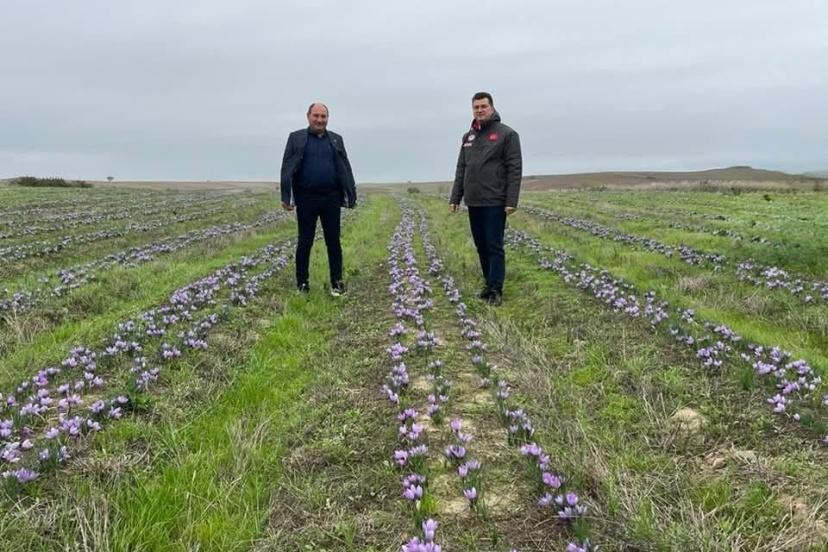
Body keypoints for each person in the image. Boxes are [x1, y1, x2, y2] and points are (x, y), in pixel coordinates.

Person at [449, 92, 522, 306]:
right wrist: (456, 197)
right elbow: (461, 168)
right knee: (481, 245)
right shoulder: (468, 137)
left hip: (495, 200)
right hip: (474, 200)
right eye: (476, 107)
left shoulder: (507, 134)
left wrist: (511, 200)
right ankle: (488, 284)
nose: (479, 110)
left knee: (494, 245)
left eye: (483, 106)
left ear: (491, 108)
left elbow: (514, 169)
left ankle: (496, 289)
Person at [280, 102, 357, 296]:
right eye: (316, 116)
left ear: (327, 119)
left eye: (323, 117)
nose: (319, 120)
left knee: (333, 242)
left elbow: (345, 167)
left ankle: (337, 283)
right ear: (308, 116)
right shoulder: (296, 138)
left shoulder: (336, 140)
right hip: (306, 198)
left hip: (331, 198)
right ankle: (302, 284)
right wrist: (286, 195)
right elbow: (286, 167)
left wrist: (350, 193)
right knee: (305, 241)